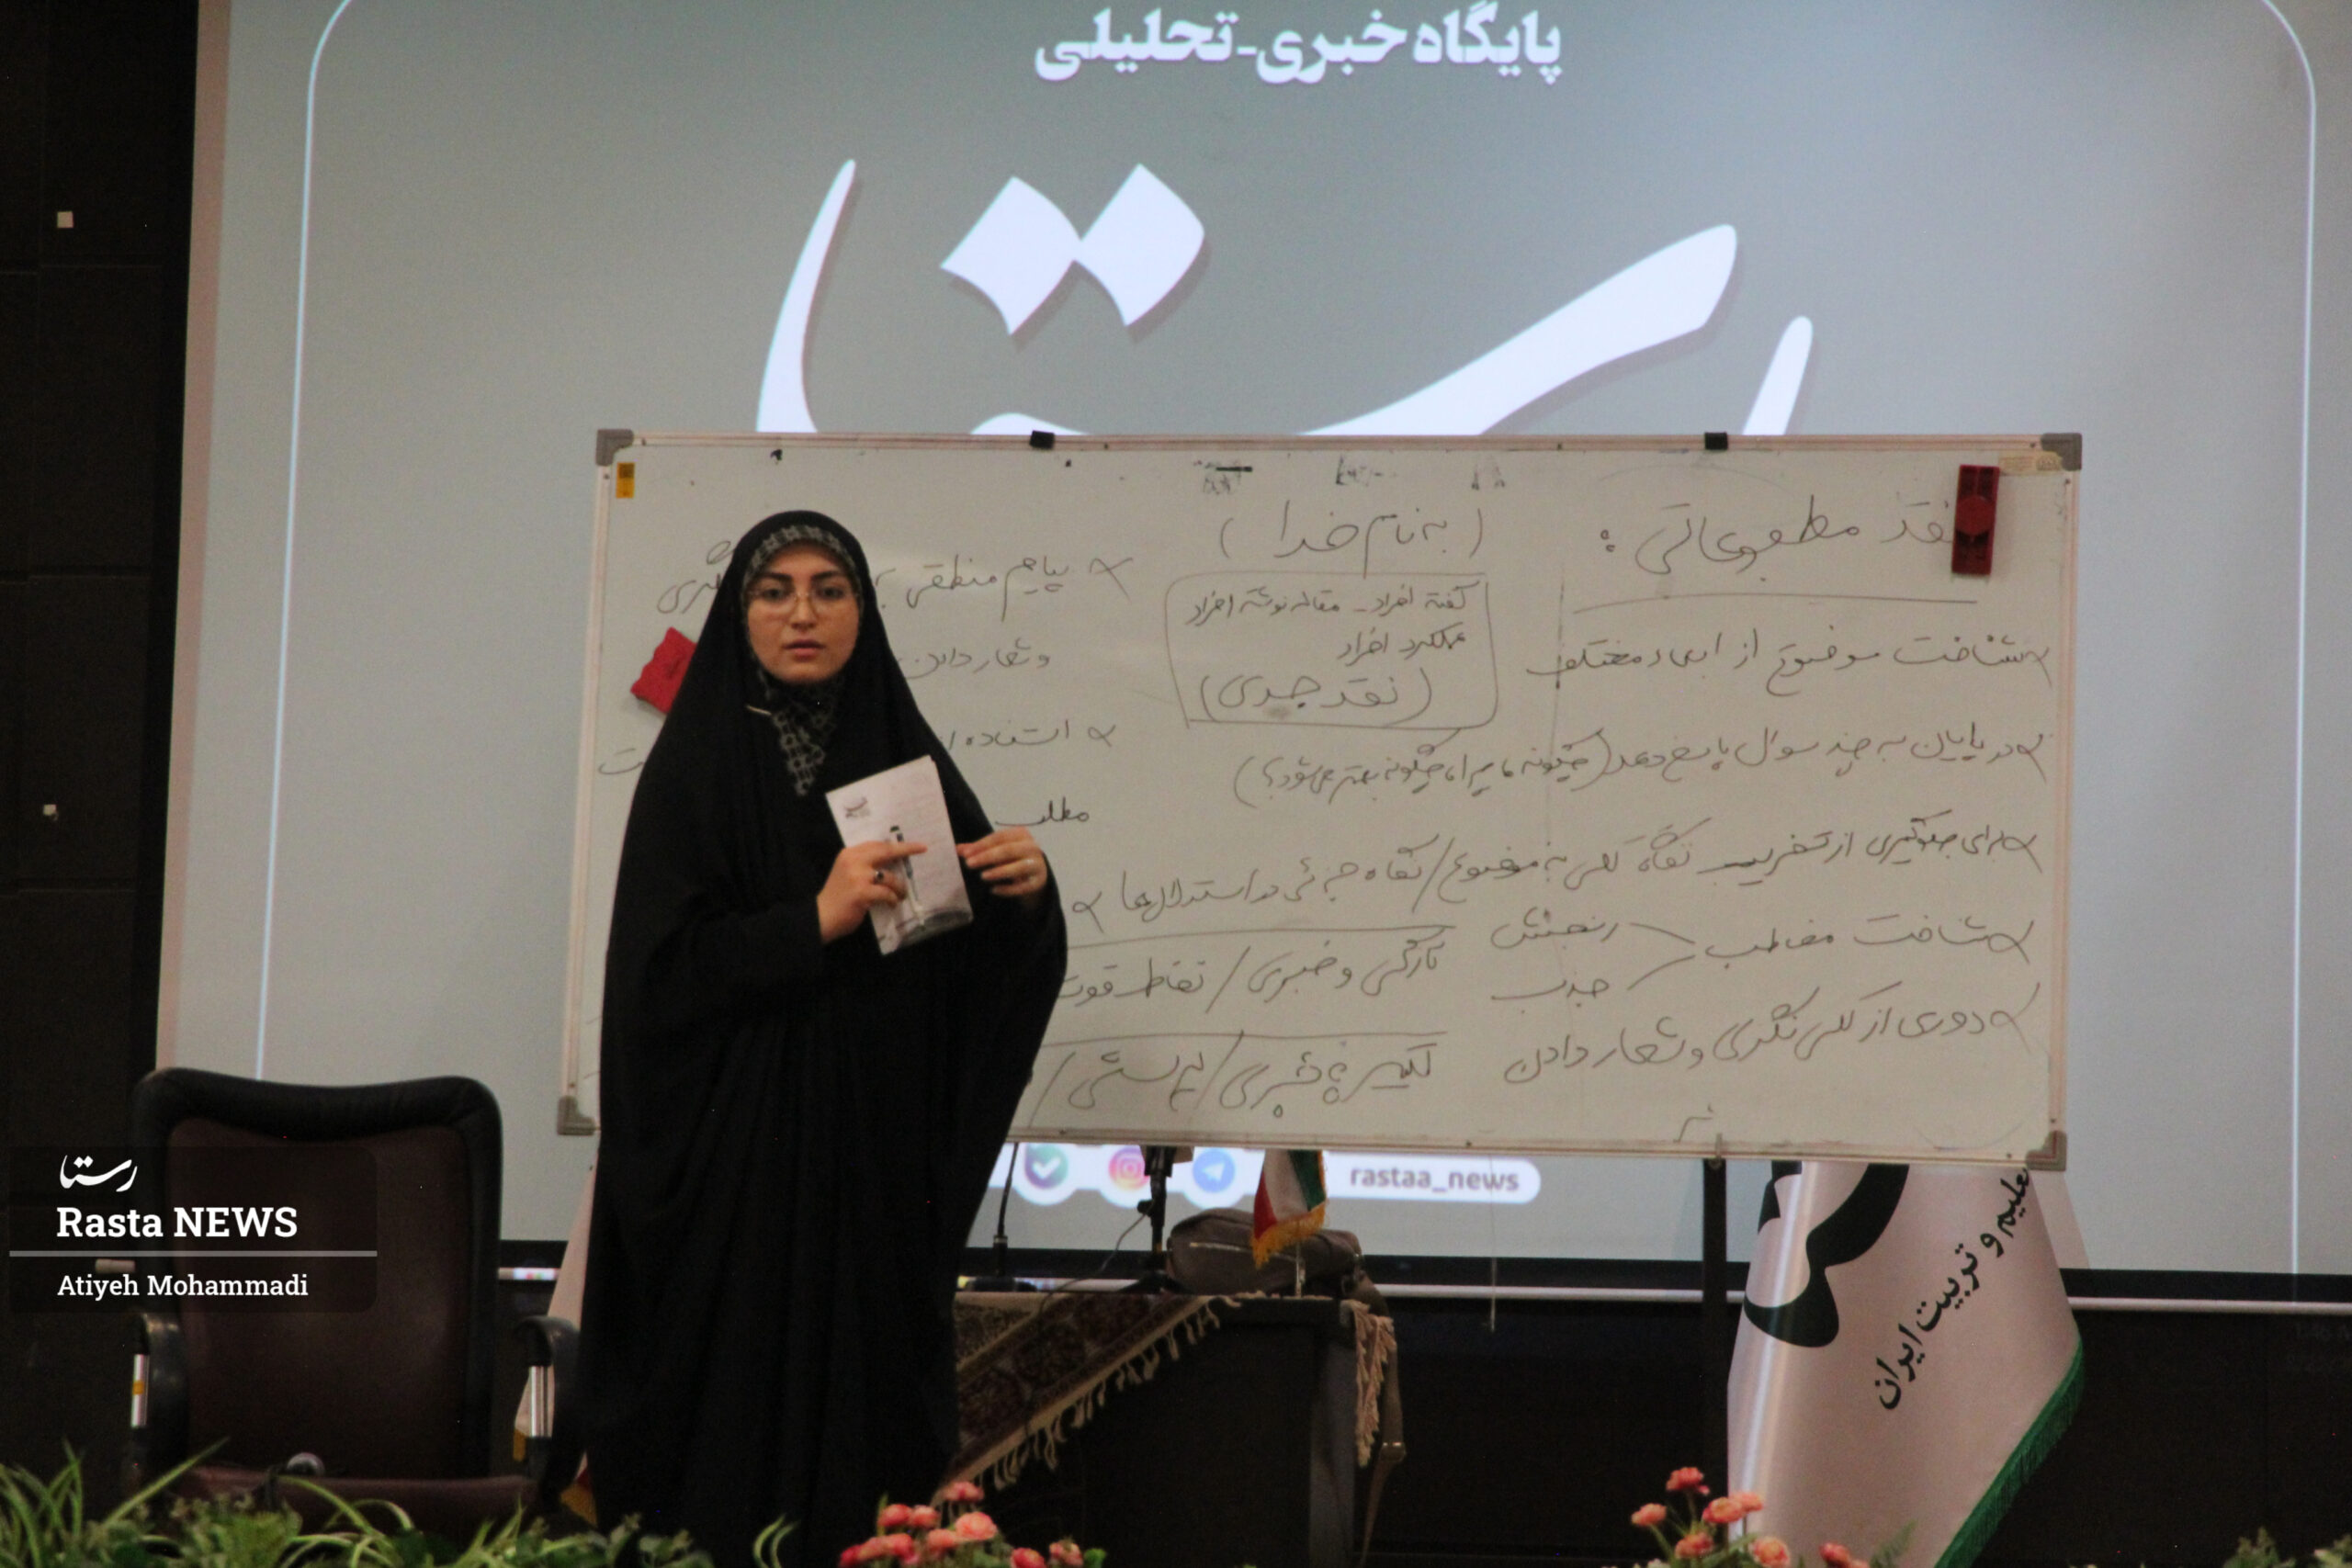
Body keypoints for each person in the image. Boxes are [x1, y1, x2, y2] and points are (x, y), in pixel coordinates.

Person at [579, 512, 1067, 1567]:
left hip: (868, 1184)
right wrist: (811, 922)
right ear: (739, 613)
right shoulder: (693, 771)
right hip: (729, 1193)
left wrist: (1027, 903)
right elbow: (656, 984)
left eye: (829, 589)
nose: (802, 612)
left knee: (863, 1464)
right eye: (775, 591)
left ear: (862, 611)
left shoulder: (900, 757)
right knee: (722, 1463)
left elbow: (963, 967)